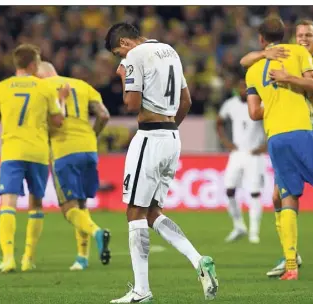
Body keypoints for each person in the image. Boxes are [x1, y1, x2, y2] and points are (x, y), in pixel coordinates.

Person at [105, 23, 218, 303]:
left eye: (118, 51)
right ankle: (198, 260)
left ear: (124, 42)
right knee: (152, 212)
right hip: (171, 138)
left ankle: (141, 290)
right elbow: (187, 101)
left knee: (134, 212)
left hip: (150, 138)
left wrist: (123, 76)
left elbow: (131, 104)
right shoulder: (170, 52)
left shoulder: (134, 56)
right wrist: (168, 128)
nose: (120, 58)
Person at [241, 19, 313, 279]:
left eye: (308, 35)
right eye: (300, 34)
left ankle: (294, 265)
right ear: (289, 36)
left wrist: (274, 102)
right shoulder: (298, 54)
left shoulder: (252, 69)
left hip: (278, 136)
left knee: (287, 197)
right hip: (305, 130)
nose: (303, 39)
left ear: (261, 39)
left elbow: (254, 112)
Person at [0, 44, 67, 273]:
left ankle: (8, 258)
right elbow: (59, 122)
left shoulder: (0, 88)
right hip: (38, 154)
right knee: (36, 204)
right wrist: (62, 100)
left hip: (12, 152)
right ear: (32, 65)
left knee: (7, 204)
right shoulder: (44, 88)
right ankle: (28, 259)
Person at [36, 61, 112, 269]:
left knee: (69, 209)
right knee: (81, 204)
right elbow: (104, 115)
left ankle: (98, 232)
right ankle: (82, 258)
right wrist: (92, 135)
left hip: (63, 151)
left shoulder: (41, 89)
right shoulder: (82, 85)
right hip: (89, 149)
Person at [216, 78, 266, 244]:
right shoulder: (231, 104)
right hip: (237, 153)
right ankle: (238, 226)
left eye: (246, 88)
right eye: (240, 87)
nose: (242, 91)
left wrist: (265, 145)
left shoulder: (261, 104)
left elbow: (273, 123)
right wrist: (226, 143)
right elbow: (219, 122)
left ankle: (254, 232)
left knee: (254, 193)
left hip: (254, 154)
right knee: (229, 190)